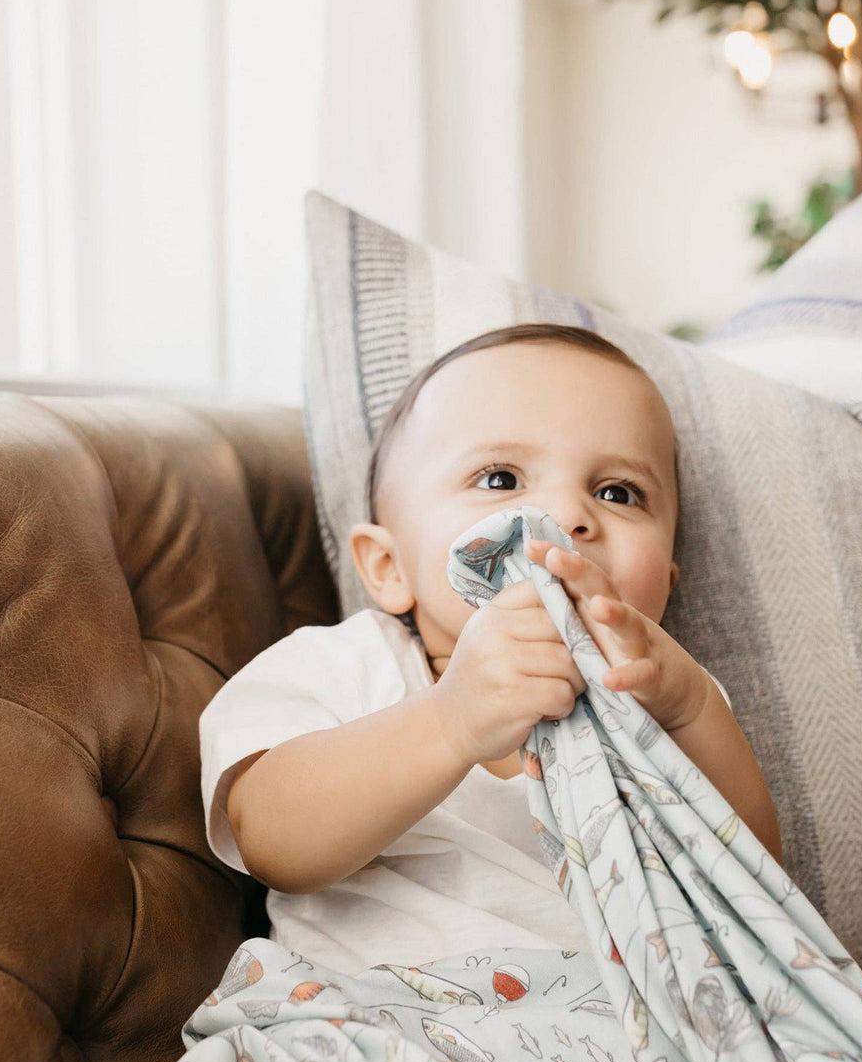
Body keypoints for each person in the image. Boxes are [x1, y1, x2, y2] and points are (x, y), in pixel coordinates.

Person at [200, 323, 782, 976]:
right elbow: (272, 839)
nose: (566, 514)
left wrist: (693, 710)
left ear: (666, 585)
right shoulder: (345, 666)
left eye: (617, 492)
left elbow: (756, 889)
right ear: (389, 567)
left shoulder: (665, 696)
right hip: (391, 1026)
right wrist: (450, 719)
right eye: (501, 479)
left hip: (619, 1041)